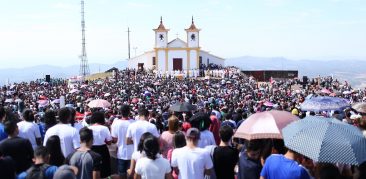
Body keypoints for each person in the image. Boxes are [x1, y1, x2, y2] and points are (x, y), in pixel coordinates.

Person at [110, 104, 135, 179]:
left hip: (121, 152)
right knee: (131, 173)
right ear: (129, 112)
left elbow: (114, 139)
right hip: (132, 153)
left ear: (120, 112)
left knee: (121, 174)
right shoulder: (134, 122)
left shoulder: (116, 123)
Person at [88, 111, 112, 178]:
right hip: (102, 150)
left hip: (91, 149)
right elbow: (109, 142)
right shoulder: (105, 128)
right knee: (104, 168)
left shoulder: (88, 128)